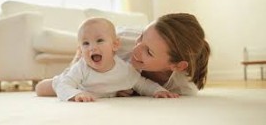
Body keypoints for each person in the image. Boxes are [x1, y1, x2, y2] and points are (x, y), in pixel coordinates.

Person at [35, 13, 210, 98]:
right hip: (84, 71)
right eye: (141, 37)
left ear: (177, 66)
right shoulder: (121, 39)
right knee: (52, 85)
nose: (136, 50)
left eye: (148, 52)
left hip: (103, 89)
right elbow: (86, 46)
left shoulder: (182, 88)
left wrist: (124, 90)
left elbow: (141, 84)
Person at [50, 17, 171, 102]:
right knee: (44, 88)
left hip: (103, 93)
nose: (92, 47)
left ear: (115, 45)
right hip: (78, 87)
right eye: (86, 43)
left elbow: (142, 84)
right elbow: (63, 85)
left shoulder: (124, 69)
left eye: (100, 40)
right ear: (80, 50)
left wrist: (158, 91)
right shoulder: (81, 67)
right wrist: (76, 94)